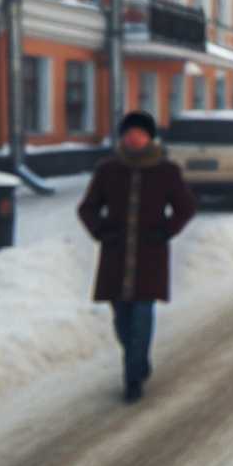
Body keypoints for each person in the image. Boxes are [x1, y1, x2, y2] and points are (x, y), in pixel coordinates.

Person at [76, 110, 196, 403]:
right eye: (129, 133)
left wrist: (166, 231)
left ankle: (132, 379)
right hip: (116, 257)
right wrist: (102, 231)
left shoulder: (166, 171)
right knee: (122, 320)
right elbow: (87, 208)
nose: (134, 137)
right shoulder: (108, 170)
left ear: (149, 137)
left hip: (149, 258)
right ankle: (138, 360)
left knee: (141, 316)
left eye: (140, 132)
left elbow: (185, 208)